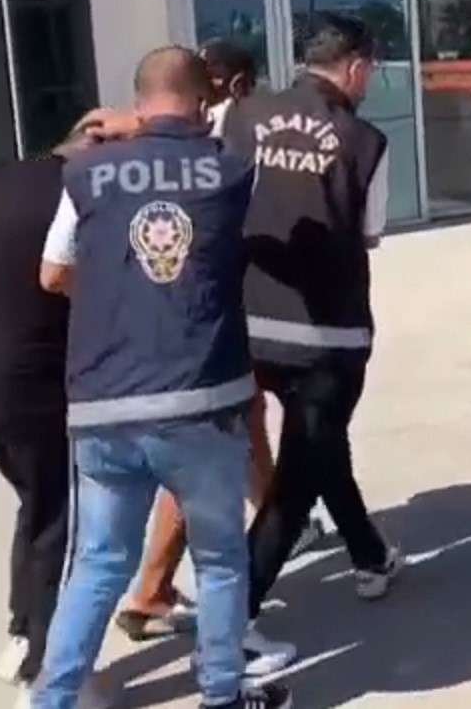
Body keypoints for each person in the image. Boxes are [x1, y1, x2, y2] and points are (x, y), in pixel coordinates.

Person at [32, 46, 291, 709]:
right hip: (202, 399)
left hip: (103, 401)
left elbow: (54, 272)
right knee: (220, 560)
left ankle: (52, 699)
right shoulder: (231, 168)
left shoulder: (85, 174)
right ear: (203, 102)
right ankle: (221, 695)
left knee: (97, 564)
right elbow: (254, 122)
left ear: (137, 101)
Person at [115, 41, 324, 654]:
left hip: (196, 321)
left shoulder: (192, 143)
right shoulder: (221, 146)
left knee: (245, 427)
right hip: (210, 327)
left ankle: (279, 519)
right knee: (206, 453)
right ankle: (165, 598)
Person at [220, 11, 403, 627]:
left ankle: (370, 554)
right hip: (328, 337)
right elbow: (369, 233)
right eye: (371, 70)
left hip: (247, 325)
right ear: (355, 67)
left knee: (321, 444)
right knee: (298, 479)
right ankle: (235, 614)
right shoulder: (366, 141)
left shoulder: (241, 115)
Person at [0, 116, 101, 690]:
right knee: (64, 514)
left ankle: (21, 629)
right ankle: (47, 668)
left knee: (38, 501)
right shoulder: (77, 197)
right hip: (32, 385)